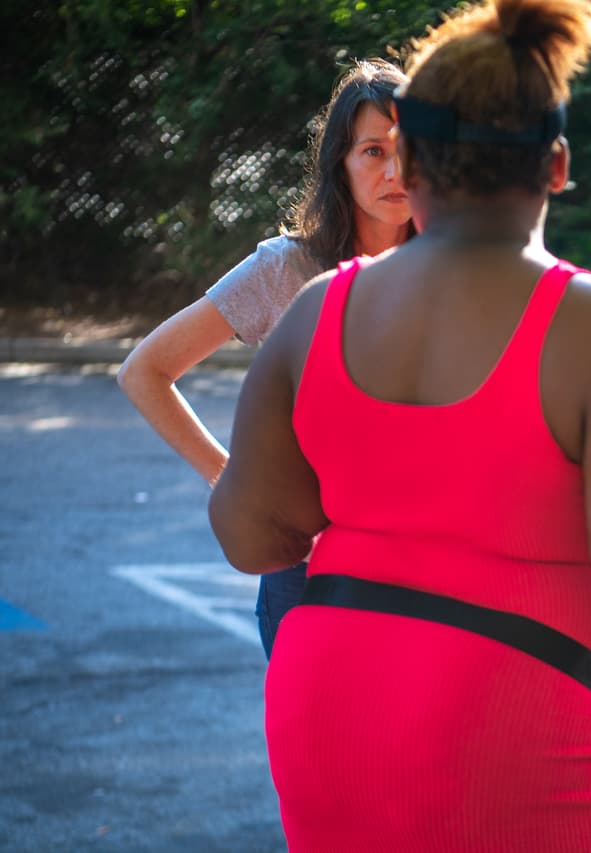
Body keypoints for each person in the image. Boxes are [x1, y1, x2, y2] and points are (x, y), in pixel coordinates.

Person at [207, 0, 591, 849]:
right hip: (515, 726)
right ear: (555, 165)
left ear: (405, 154)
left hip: (330, 714)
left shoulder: (317, 311)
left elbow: (250, 536)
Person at [117, 59, 414, 657]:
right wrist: (237, 483)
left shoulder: (456, 271)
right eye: (373, 152)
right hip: (308, 572)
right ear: (341, 164)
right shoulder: (287, 269)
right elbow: (145, 370)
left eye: (410, 149)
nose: (396, 170)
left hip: (423, 569)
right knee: (322, 750)